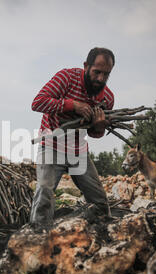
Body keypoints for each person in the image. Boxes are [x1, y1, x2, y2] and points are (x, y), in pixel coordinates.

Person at [30, 47, 115, 227]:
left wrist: (98, 127)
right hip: (51, 145)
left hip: (78, 152)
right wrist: (72, 105)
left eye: (106, 75)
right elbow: (38, 102)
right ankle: (36, 235)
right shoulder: (66, 78)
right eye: (96, 72)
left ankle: (98, 234)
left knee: (100, 202)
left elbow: (94, 133)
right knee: (44, 192)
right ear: (86, 66)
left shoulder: (107, 98)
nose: (100, 78)